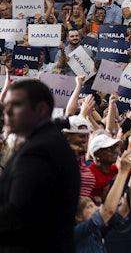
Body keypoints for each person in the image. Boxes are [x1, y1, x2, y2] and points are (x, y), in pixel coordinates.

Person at [0, 78, 80, 252]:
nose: (7, 111)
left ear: (41, 109)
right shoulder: (48, 141)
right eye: (6, 104)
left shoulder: (39, 150)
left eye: (16, 104)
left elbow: (18, 216)